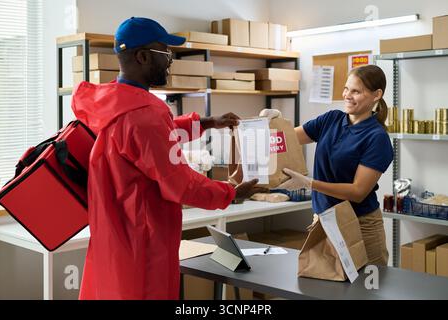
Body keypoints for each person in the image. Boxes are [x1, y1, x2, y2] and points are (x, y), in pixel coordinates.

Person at [72, 17, 264, 299]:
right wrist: (230, 192)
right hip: (143, 246)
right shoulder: (146, 114)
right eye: (165, 53)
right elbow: (181, 184)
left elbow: (154, 140)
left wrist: (206, 122)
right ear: (142, 56)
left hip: (113, 239)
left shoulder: (115, 104)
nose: (170, 60)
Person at [261, 64, 393, 266]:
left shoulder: (377, 138)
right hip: (323, 221)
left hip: (360, 224)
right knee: (325, 286)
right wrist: (277, 121)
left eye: (356, 91)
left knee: (368, 290)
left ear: (377, 95)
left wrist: (310, 183)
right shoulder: (331, 119)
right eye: (347, 89)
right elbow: (288, 139)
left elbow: (358, 191)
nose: (347, 95)